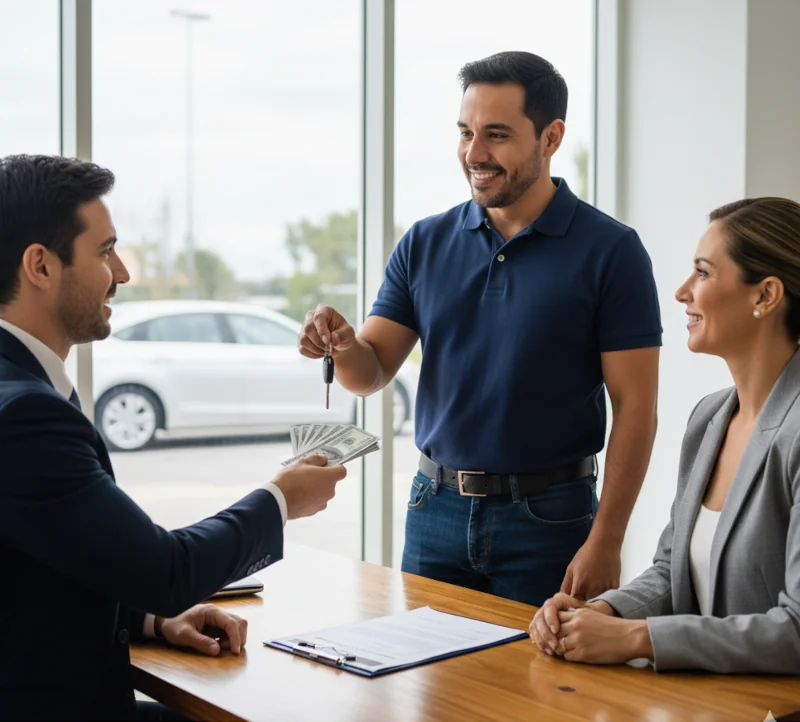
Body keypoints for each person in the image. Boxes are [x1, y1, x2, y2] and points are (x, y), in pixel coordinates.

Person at [298, 51, 662, 607]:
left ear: (551, 137)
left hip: (551, 519)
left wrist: (606, 539)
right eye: (465, 133)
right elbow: (369, 374)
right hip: (433, 510)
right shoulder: (424, 242)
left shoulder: (612, 251)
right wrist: (344, 345)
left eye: (496, 135)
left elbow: (636, 408)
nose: (474, 154)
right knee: (430, 690)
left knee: (538, 692)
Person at [0, 154, 347, 721]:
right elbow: (166, 571)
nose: (123, 274)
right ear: (40, 265)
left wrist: (151, 621)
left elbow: (47, 566)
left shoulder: (23, 385)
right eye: (105, 251)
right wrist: (282, 498)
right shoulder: (25, 416)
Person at [530, 197, 800, 674]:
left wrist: (636, 637)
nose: (681, 292)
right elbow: (671, 572)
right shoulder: (709, 419)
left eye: (702, 272)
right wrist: (600, 613)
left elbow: (795, 631)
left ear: (765, 296)